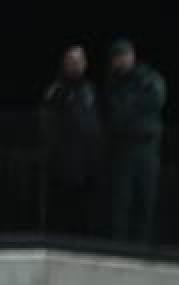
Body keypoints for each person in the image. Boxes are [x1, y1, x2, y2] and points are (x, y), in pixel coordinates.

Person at [101, 39, 165, 244]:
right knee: (121, 201)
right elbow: (117, 113)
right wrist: (134, 106)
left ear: (132, 56)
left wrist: (132, 106)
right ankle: (119, 245)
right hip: (124, 149)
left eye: (124, 56)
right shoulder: (113, 83)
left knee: (146, 200)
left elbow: (156, 99)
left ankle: (142, 246)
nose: (121, 61)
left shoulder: (149, 78)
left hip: (147, 149)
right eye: (117, 57)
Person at [40, 45, 102, 236]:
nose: (75, 66)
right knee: (61, 212)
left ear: (84, 64)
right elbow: (47, 125)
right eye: (71, 61)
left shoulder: (92, 90)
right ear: (64, 64)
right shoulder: (56, 90)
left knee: (85, 213)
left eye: (78, 61)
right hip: (62, 164)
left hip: (88, 164)